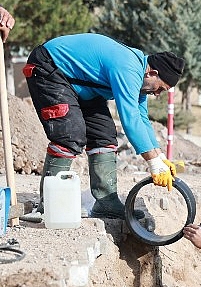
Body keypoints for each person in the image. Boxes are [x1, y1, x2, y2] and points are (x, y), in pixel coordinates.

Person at [23, 33, 185, 219]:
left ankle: (106, 203)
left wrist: (160, 157)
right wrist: (152, 163)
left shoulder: (141, 76)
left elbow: (142, 119)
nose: (157, 94)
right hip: (49, 67)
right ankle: (48, 206)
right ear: (152, 73)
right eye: (160, 89)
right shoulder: (128, 68)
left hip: (81, 84)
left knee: (104, 134)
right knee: (69, 135)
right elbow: (130, 119)